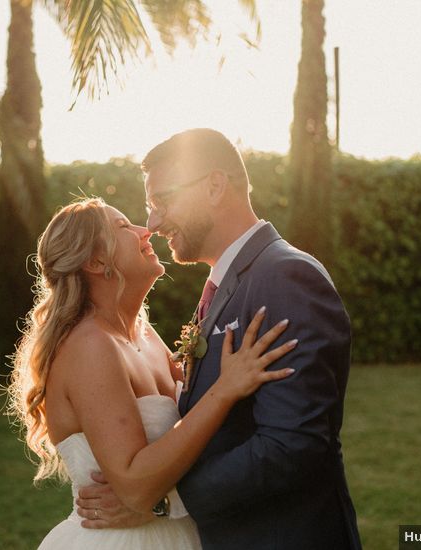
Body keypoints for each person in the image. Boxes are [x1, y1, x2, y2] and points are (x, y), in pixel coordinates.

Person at [75, 128, 362, 549]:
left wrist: (165, 500)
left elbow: (291, 446)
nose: (152, 223)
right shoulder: (227, 284)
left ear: (214, 186)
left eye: (162, 201)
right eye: (149, 206)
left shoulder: (285, 277)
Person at [8, 197, 297, 549]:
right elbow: (132, 483)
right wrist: (225, 389)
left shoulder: (143, 333)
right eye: (123, 227)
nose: (146, 232)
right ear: (96, 261)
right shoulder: (91, 346)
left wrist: (166, 506)